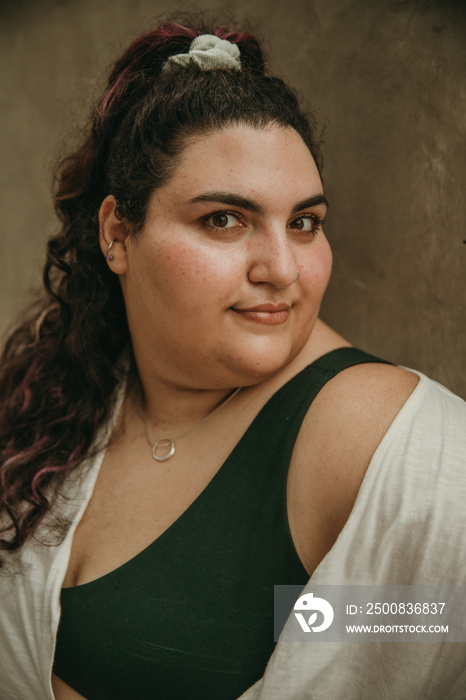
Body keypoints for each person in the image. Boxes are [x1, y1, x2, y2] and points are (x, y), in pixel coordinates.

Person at [0, 16, 465, 700]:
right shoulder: (64, 393)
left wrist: (301, 618)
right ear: (117, 234)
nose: (282, 267)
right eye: (225, 219)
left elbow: (430, 625)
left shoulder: (380, 433)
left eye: (304, 222)